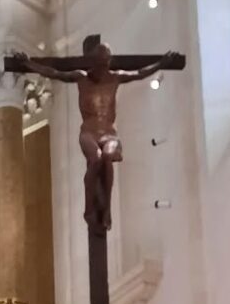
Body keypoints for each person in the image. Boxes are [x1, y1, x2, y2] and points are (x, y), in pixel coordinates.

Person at [12, 39, 175, 232]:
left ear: (108, 61)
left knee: (107, 156)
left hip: (109, 133)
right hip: (88, 131)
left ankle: (106, 211)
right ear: (93, 62)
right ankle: (89, 208)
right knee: (96, 159)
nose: (102, 66)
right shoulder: (81, 77)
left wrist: (161, 64)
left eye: (105, 62)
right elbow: (55, 73)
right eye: (98, 61)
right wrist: (29, 64)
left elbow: (140, 73)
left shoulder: (116, 77)